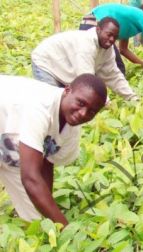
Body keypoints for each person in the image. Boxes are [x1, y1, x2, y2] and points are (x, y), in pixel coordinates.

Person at [0, 74, 107, 226]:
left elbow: (47, 161)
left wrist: (50, 211)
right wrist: (65, 227)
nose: (83, 113)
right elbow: (30, 178)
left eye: (91, 111)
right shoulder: (40, 107)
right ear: (67, 90)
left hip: (8, 140)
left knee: (37, 218)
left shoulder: (71, 128)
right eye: (81, 103)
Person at [32, 18, 139, 101]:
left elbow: (114, 75)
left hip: (64, 67)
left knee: (64, 101)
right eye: (109, 34)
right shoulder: (86, 45)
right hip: (46, 61)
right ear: (98, 29)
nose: (111, 40)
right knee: (52, 101)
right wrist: (104, 102)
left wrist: (133, 98)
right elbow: (86, 79)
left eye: (115, 37)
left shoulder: (108, 49)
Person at [80, 3, 143, 73]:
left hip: (88, 22)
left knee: (116, 67)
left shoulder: (128, 22)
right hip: (95, 23)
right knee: (115, 68)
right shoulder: (142, 15)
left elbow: (123, 50)